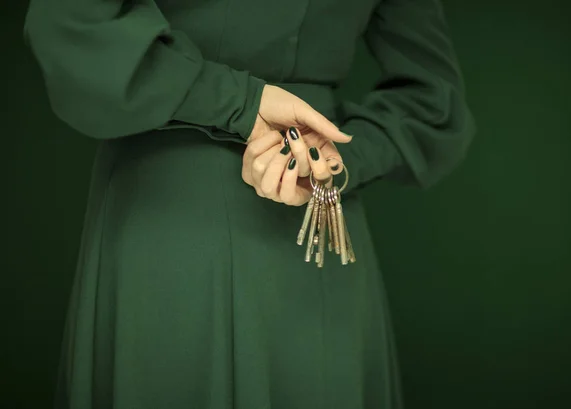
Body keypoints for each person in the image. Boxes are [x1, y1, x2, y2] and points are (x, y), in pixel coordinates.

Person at [24, 0, 475, 408]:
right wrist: (329, 157)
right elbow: (434, 100)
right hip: (308, 224)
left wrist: (319, 154)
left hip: (185, 214)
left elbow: (73, 23)